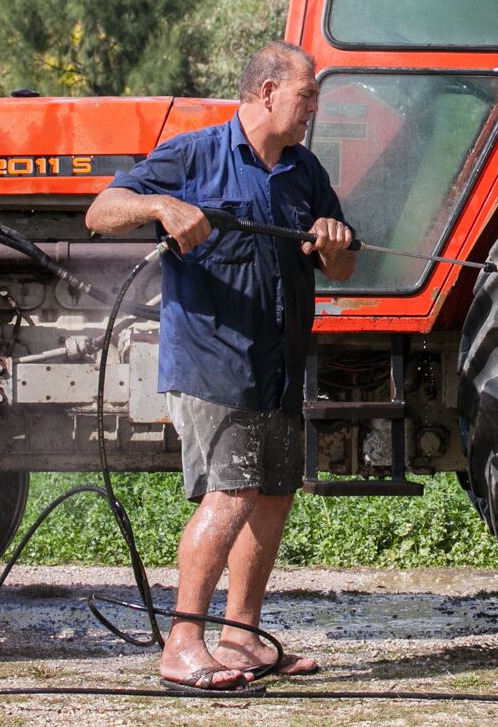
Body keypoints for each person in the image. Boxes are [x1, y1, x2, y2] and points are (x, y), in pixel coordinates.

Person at [85, 41, 354, 691]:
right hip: (212, 361)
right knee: (231, 493)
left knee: (273, 497)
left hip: (280, 362)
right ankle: (183, 644)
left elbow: (340, 266)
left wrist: (336, 244)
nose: (313, 106)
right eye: (306, 93)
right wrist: (159, 206)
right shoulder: (196, 154)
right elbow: (100, 212)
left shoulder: (304, 171)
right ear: (266, 91)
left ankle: (241, 638)